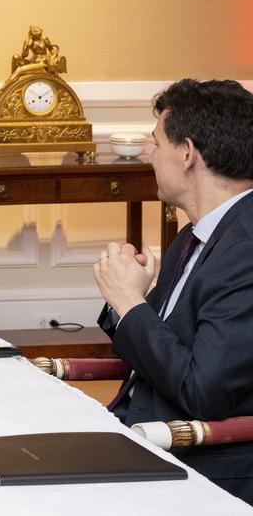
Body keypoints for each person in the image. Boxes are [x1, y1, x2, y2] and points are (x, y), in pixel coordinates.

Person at [94, 79, 253, 504]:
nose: (150, 155)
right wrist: (129, 301)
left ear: (186, 153)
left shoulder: (246, 248)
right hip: (139, 435)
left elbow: (204, 392)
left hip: (200, 468)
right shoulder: (195, 237)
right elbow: (164, 351)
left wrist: (129, 304)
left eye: (156, 143)